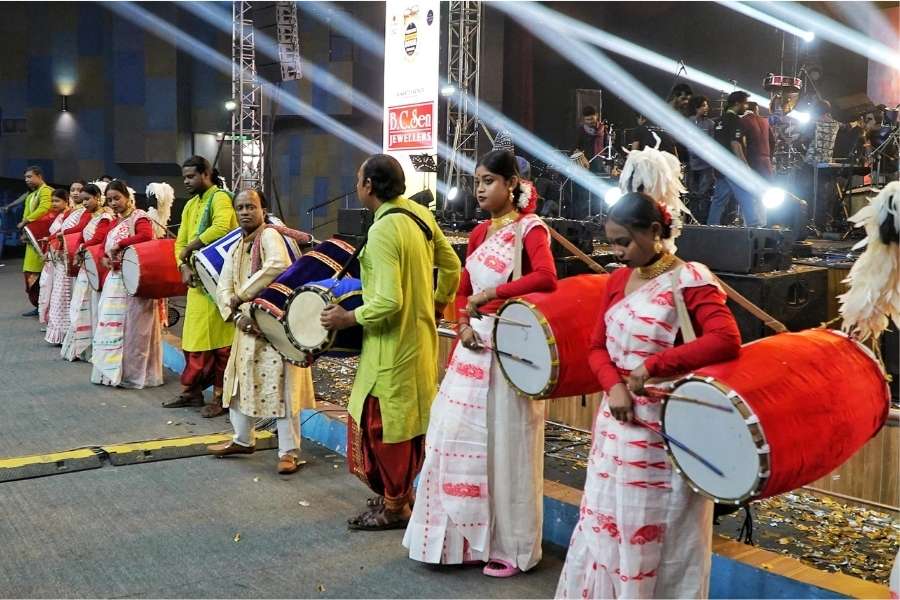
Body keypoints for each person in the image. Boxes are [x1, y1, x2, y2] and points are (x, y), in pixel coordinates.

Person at [555, 191, 741, 599]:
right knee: (605, 520)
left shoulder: (690, 278)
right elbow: (595, 346)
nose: (617, 252)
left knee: (658, 528)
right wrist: (615, 386)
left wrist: (653, 366)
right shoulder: (619, 279)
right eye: (612, 243)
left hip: (663, 426)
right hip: (615, 418)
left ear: (656, 231)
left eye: (624, 242)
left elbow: (726, 340)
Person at [403, 150, 557, 576]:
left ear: (512, 184)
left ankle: (511, 547)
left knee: (507, 446)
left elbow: (546, 278)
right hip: (474, 347)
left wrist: (493, 296)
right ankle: (462, 543)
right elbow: (463, 288)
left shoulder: (531, 230)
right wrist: (465, 322)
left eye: (489, 180)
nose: (481, 189)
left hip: (513, 349)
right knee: (452, 440)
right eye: (477, 182)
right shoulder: (479, 233)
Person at [320, 154, 461, 530]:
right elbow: (452, 267)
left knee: (385, 427)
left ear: (369, 186)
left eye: (358, 179)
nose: (356, 185)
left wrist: (347, 317)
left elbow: (387, 301)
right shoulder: (420, 215)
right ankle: (400, 494)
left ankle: (396, 506)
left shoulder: (384, 231)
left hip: (390, 345)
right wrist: (437, 302)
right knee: (411, 422)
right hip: (420, 339)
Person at [206, 189, 316, 474]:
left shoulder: (269, 235)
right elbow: (223, 286)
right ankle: (243, 440)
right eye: (240, 207)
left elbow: (277, 265)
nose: (244, 212)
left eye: (250, 207)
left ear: (262, 209)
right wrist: (234, 314)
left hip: (274, 325)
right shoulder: (236, 245)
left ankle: (289, 452)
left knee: (283, 389)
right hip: (246, 324)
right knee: (240, 383)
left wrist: (241, 296)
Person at [167, 156, 238, 417]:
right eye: (184, 177)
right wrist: (183, 265)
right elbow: (178, 243)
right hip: (197, 285)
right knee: (194, 342)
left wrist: (190, 248)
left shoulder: (219, 198)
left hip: (219, 282)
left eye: (191, 177)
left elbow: (222, 227)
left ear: (206, 173)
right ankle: (193, 392)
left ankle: (220, 398)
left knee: (222, 347)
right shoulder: (190, 206)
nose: (186, 182)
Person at [90, 180, 163, 388]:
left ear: (128, 198)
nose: (113, 203)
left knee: (135, 328)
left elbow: (146, 236)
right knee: (113, 326)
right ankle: (113, 372)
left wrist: (120, 245)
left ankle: (134, 374)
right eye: (110, 199)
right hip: (115, 281)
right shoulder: (115, 221)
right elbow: (106, 246)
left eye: (117, 198)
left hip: (135, 280)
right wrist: (105, 257)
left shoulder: (138, 217)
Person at [61, 183, 114, 362]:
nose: (84, 203)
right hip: (86, 265)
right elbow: (83, 238)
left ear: (98, 197)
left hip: (95, 267)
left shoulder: (105, 217)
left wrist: (81, 249)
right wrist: (78, 249)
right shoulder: (91, 217)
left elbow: (99, 239)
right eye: (82, 200)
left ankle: (92, 348)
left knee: (92, 305)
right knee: (80, 305)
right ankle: (82, 347)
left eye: (87, 199)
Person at [707, 91, 765, 227]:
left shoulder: (719, 120)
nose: (745, 107)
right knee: (746, 195)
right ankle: (754, 225)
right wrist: (745, 166)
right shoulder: (735, 121)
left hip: (720, 165)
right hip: (733, 166)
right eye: (744, 104)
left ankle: (711, 227)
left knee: (719, 199)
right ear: (737, 103)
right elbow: (736, 143)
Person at [45, 189, 90, 345]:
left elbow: (81, 231)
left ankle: (69, 334)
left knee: (68, 296)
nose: (78, 195)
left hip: (75, 260)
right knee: (59, 295)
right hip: (62, 259)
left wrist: (61, 237)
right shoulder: (75, 213)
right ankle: (61, 333)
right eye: (73, 190)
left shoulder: (90, 214)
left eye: (81, 192)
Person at [17, 166, 53, 316]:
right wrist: (24, 231)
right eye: (25, 177)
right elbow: (26, 213)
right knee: (30, 273)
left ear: (39, 176)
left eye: (30, 177)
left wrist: (26, 221)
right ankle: (38, 305)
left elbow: (45, 209)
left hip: (42, 240)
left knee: (41, 275)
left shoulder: (46, 191)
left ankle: (43, 307)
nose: (27, 180)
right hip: (32, 240)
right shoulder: (32, 195)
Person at [36, 190, 68, 327]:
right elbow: (54, 235)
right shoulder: (57, 216)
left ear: (66, 201)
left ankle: (58, 325)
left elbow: (62, 234)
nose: (54, 204)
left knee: (58, 292)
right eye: (52, 201)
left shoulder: (67, 216)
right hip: (52, 256)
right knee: (47, 287)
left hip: (61, 258)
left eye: (57, 201)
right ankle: (51, 323)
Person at [686, 95, 716, 221]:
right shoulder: (689, 121)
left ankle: (702, 220)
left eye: (707, 105)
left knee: (704, 194)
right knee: (692, 194)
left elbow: (712, 143)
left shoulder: (710, 123)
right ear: (696, 107)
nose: (706, 107)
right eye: (704, 105)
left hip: (706, 165)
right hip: (692, 163)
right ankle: (691, 219)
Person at [742, 102, 776, 179]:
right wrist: (769, 158)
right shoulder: (765, 121)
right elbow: (773, 141)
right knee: (768, 187)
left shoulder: (743, 120)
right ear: (756, 110)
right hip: (766, 161)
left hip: (752, 160)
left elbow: (742, 143)